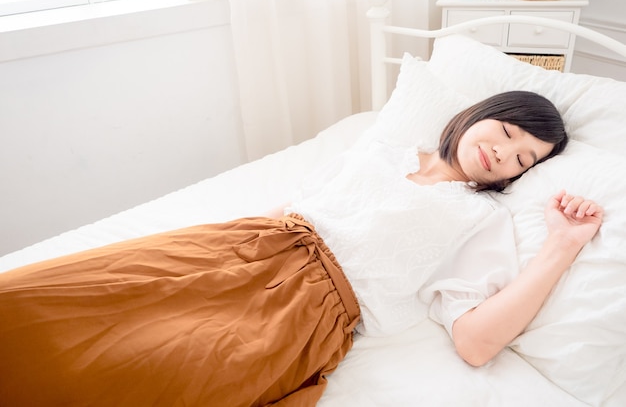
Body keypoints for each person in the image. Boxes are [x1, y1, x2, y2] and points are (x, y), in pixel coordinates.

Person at [0, 91, 603, 407]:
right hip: (245, 246)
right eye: (506, 131)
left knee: (146, 371)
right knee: (45, 297)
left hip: (307, 307)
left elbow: (475, 343)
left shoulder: (479, 217)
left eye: (525, 157)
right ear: (477, 115)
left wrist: (561, 247)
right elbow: (297, 204)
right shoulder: (382, 150)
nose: (506, 152)